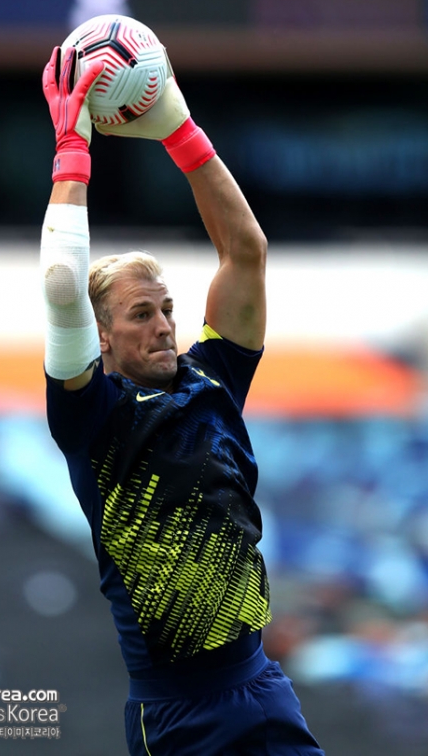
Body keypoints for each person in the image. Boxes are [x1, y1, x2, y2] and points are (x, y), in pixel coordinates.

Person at [41, 44, 325, 756]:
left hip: (262, 685)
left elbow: (245, 251)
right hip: (176, 715)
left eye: (166, 309)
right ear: (100, 337)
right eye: (141, 314)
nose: (165, 325)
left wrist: (179, 128)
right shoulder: (90, 417)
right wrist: (73, 149)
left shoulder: (213, 380)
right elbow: (61, 285)